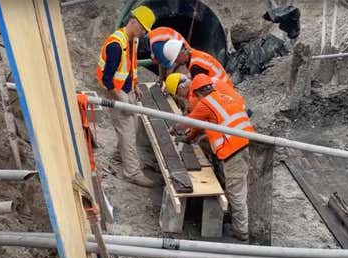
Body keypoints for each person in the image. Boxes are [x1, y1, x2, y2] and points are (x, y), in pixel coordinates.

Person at [175, 74, 254, 241]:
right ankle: (237, 222)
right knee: (235, 187)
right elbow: (200, 125)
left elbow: (188, 122)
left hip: (234, 150)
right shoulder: (222, 97)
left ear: (198, 92)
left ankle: (241, 232)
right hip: (242, 145)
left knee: (235, 191)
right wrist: (189, 138)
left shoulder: (206, 103)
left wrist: (173, 127)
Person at [96, 5, 156, 187]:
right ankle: (132, 172)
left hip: (128, 89)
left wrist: (135, 85)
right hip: (116, 92)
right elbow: (106, 78)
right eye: (143, 29)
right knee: (127, 132)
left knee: (133, 126)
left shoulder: (133, 41)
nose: (144, 34)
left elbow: (130, 67)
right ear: (133, 22)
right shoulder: (116, 44)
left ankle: (119, 157)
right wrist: (119, 96)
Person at [162, 39, 233, 87]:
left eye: (176, 60)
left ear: (180, 55)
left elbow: (201, 89)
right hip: (224, 85)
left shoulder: (196, 66)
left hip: (223, 91)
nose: (177, 63)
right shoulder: (193, 55)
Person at [163, 72, 244, 112]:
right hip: (241, 105)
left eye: (177, 94)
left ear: (181, 88)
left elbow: (202, 124)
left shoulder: (195, 97)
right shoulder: (203, 80)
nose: (180, 97)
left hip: (235, 117)